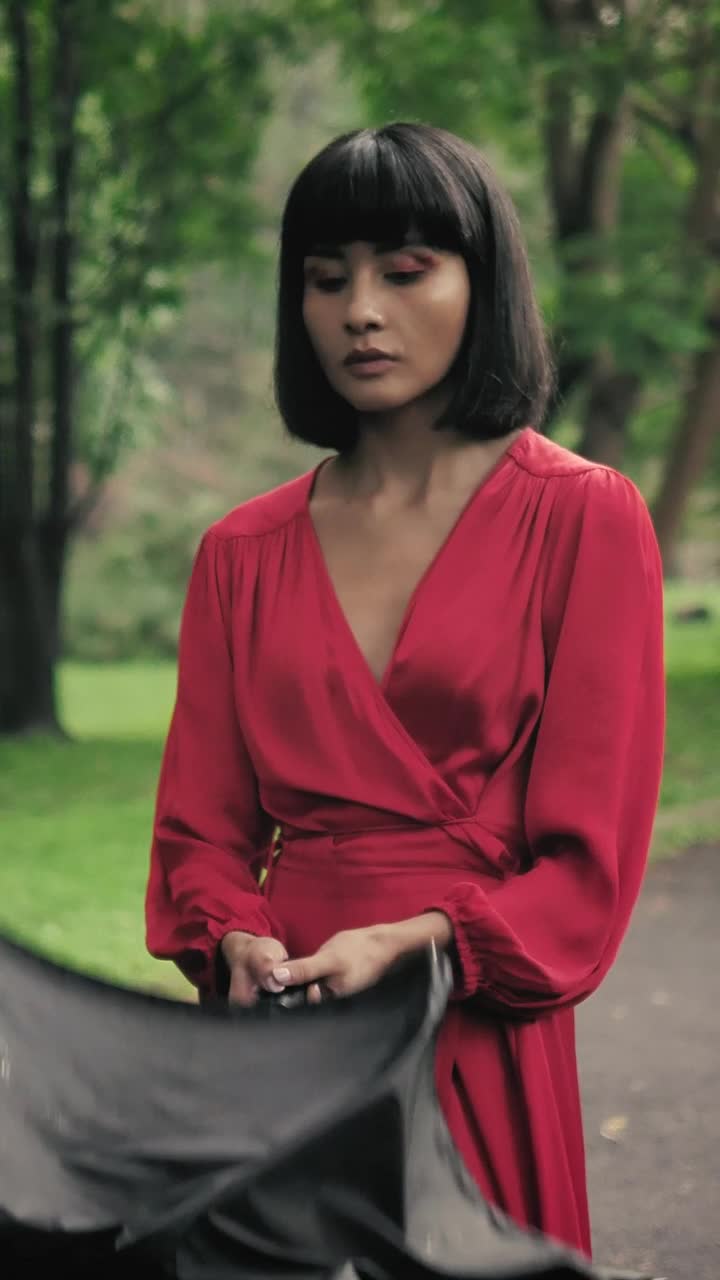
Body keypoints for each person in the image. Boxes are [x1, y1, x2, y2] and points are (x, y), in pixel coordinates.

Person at [145, 123, 665, 1259]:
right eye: (326, 279)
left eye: (404, 270)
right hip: (277, 1050)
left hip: (472, 1020)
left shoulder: (585, 518)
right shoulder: (241, 551)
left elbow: (590, 865)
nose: (359, 311)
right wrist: (232, 931)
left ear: (484, 280)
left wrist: (421, 939)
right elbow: (199, 830)